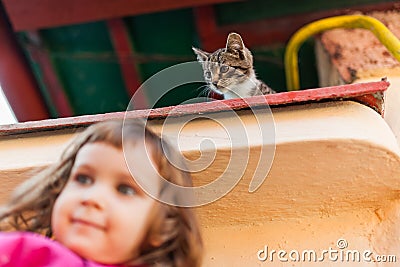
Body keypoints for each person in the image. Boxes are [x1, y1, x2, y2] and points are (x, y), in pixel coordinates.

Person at [0, 119, 203, 267]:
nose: (92, 198)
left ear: (162, 228)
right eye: (83, 179)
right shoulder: (27, 253)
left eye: (125, 189)